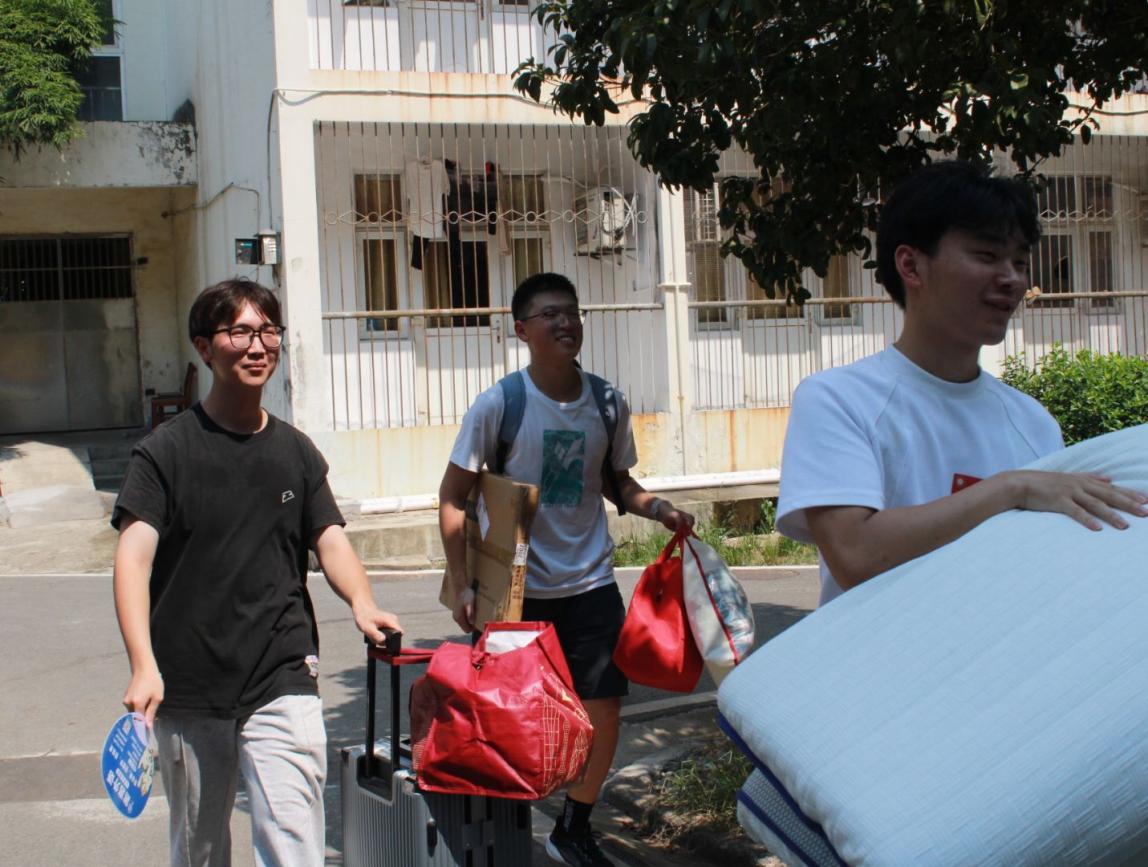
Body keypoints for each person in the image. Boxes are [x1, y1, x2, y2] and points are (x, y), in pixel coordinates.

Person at [112, 279, 401, 867]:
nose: (258, 345)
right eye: (240, 331)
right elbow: (133, 559)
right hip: (190, 683)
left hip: (282, 672)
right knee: (201, 849)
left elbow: (329, 538)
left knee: (295, 843)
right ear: (204, 347)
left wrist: (363, 602)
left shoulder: (295, 450)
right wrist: (143, 665)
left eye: (268, 331)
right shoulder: (166, 452)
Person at [776, 160, 1147, 607]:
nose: (1012, 279)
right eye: (987, 256)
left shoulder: (1033, 422)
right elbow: (856, 554)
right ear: (911, 266)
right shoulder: (839, 399)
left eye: (1020, 262)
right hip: (884, 653)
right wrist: (1012, 489)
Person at [438, 272, 694, 867]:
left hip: (590, 582)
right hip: (515, 592)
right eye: (550, 314)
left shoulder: (606, 402)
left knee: (604, 708)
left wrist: (657, 508)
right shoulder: (501, 404)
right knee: (507, 719)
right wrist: (464, 583)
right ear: (521, 330)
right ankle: (502, 835)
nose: (565, 323)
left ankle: (573, 828)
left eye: (572, 313)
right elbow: (452, 496)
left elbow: (617, 482)